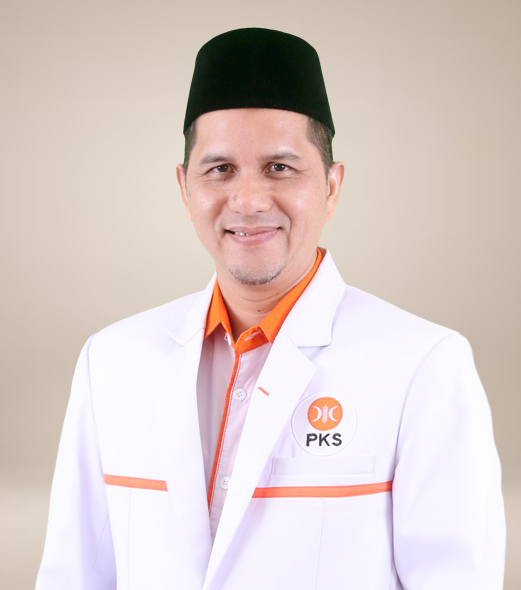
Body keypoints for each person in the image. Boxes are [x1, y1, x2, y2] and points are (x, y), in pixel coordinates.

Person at [36, 28, 505, 590]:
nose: (249, 201)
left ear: (332, 187)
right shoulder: (112, 361)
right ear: (185, 189)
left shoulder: (423, 366)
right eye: (220, 169)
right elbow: (74, 574)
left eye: (280, 168)